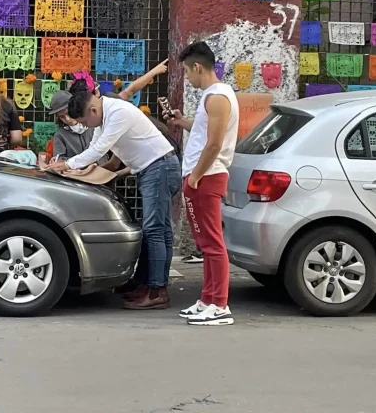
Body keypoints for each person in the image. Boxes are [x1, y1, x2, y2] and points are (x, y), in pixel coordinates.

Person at [48, 87, 181, 310]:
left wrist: (68, 164)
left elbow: (100, 149)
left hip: (159, 168)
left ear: (92, 110)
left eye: (85, 122)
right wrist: (75, 167)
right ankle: (148, 285)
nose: (86, 126)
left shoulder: (118, 112)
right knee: (159, 230)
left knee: (155, 231)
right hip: (153, 169)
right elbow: (94, 147)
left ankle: (157, 291)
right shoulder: (103, 116)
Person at [167, 41, 239, 326]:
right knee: (205, 243)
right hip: (201, 176)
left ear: (197, 67)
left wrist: (196, 176)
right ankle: (207, 299)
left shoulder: (217, 97)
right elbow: (204, 133)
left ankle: (219, 305)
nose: (187, 77)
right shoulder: (212, 96)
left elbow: (214, 144)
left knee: (212, 243)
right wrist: (182, 122)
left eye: (187, 71)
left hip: (207, 176)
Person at [47, 90, 110, 165]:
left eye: (68, 113)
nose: (67, 119)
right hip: (72, 171)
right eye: (62, 117)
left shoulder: (94, 126)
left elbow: (103, 153)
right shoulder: (60, 135)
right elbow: (59, 160)